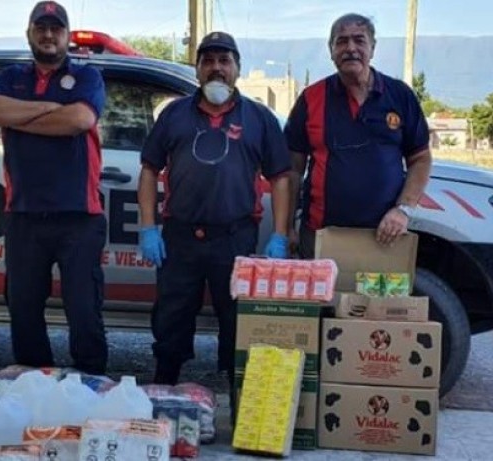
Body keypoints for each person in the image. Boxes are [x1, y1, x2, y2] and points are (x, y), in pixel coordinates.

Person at [137, 31, 293, 385]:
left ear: (237, 68)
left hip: (234, 239)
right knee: (171, 324)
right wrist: (148, 227)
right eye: (208, 61)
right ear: (197, 68)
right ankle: (165, 397)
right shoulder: (174, 114)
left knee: (236, 325)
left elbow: (281, 177)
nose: (216, 68)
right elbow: (149, 169)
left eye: (225, 61)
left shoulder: (259, 118)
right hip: (180, 238)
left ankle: (239, 410)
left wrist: (280, 235)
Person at [0, 0, 108, 375]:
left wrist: (19, 116)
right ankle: (34, 386)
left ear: (67, 36)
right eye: (41, 27)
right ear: (30, 33)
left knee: (83, 309)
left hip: (79, 217)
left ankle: (91, 383)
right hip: (24, 215)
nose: (49, 34)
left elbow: (81, 118)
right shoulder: (10, 77)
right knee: (23, 308)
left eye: (56, 28)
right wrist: (53, 109)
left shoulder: (87, 78)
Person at [285, 13, 432, 258]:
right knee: (323, 298)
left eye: (359, 40)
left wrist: (402, 210)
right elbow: (293, 170)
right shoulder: (311, 99)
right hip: (321, 236)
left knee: (380, 299)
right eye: (341, 41)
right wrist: (287, 228)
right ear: (331, 50)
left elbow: (421, 159)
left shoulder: (399, 96)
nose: (350, 48)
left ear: (372, 48)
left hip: (385, 237)